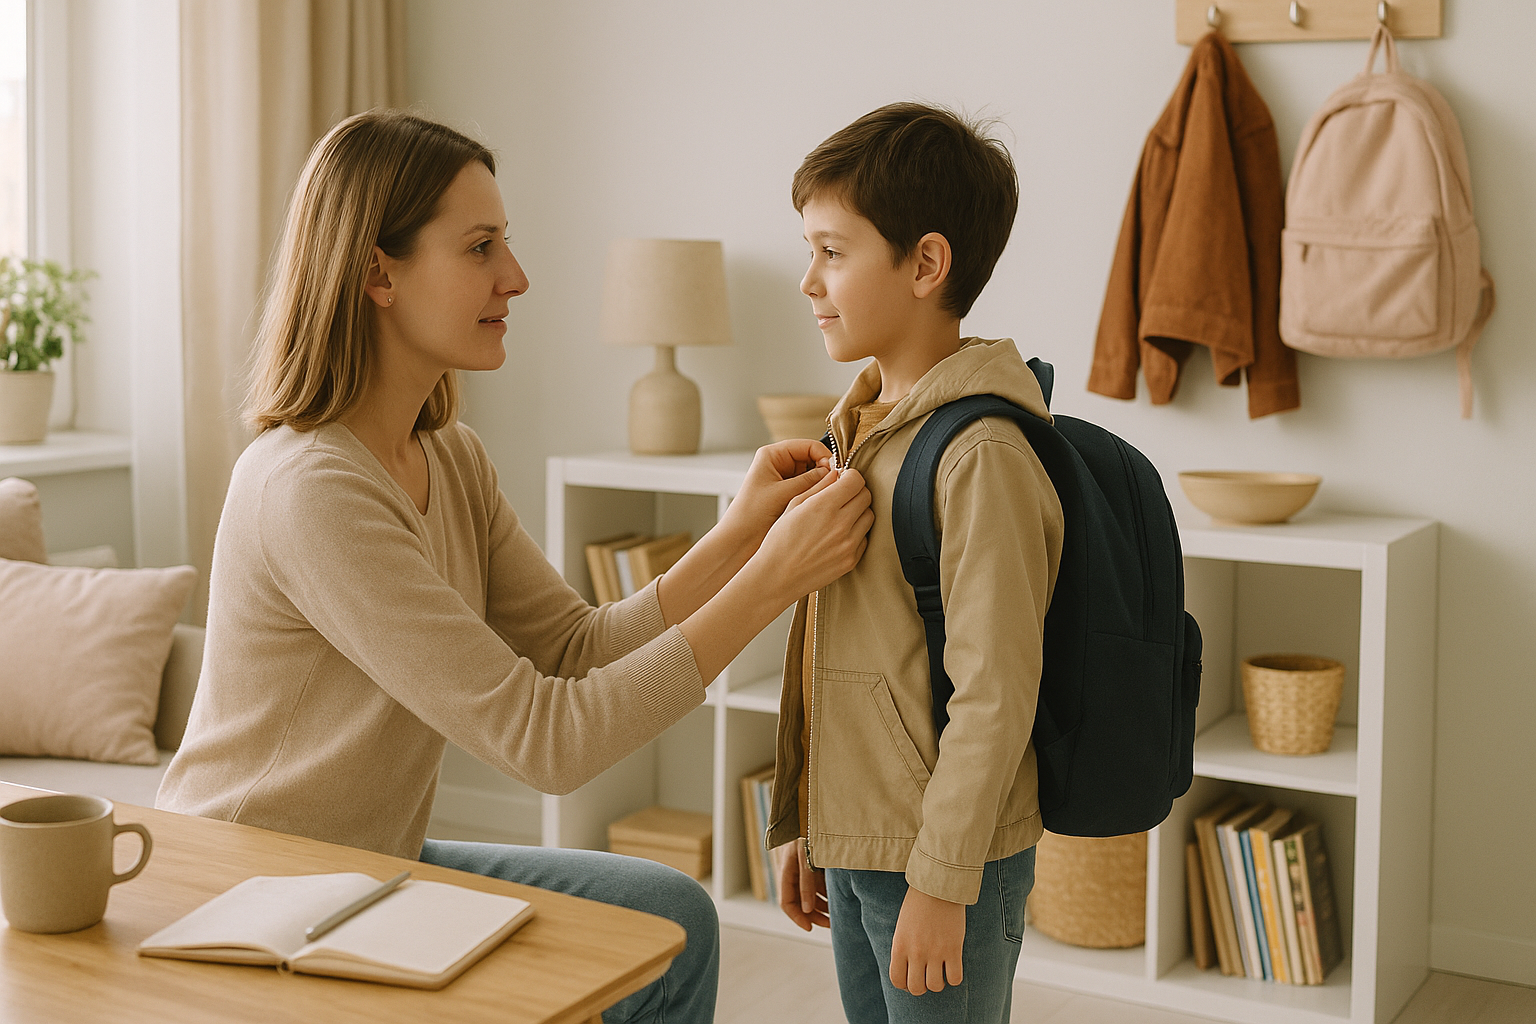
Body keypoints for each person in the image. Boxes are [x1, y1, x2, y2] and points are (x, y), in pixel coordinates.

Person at [157, 109, 874, 1024]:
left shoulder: (448, 455)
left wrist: (737, 536)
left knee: (672, 919)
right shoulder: (311, 489)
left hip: (368, 867)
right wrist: (773, 580)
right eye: (481, 246)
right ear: (377, 270)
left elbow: (574, 647)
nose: (516, 276)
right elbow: (549, 741)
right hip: (246, 892)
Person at [766, 103, 1065, 1024]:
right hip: (858, 842)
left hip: (943, 863)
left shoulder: (980, 456)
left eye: (832, 251)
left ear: (926, 264)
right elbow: (821, 647)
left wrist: (943, 881)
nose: (808, 280)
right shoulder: (854, 432)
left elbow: (997, 692)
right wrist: (802, 819)